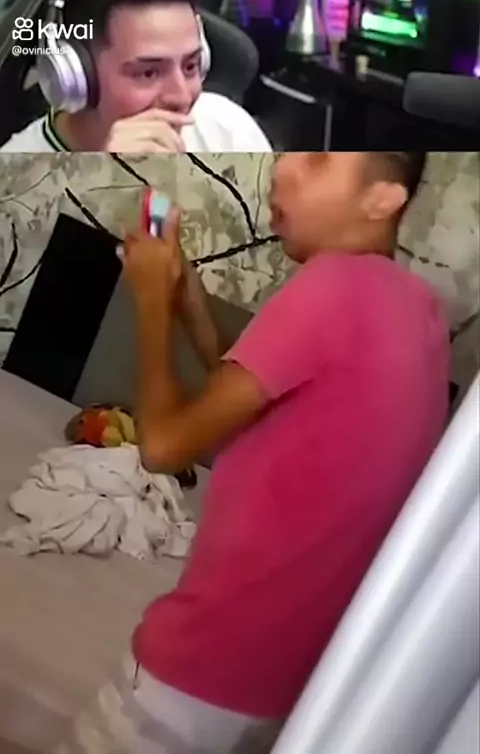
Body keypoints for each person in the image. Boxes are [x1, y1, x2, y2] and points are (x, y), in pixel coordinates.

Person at [58, 152, 450, 754]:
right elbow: (256, 397)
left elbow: (161, 447)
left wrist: (149, 302)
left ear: (383, 199)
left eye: (317, 161)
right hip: (287, 689)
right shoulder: (418, 311)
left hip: (205, 663)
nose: (282, 169)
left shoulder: (334, 284)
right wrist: (189, 305)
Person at [0, 0, 271, 153]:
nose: (182, 97)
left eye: (190, 66)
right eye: (148, 73)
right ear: (78, 78)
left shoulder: (228, 129)